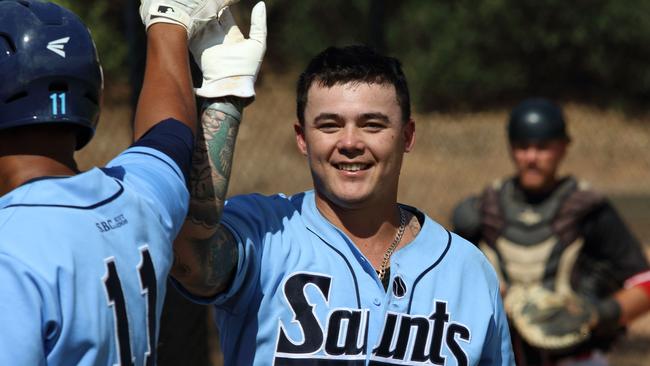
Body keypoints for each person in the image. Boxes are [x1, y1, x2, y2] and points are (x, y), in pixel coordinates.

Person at [169, 4, 515, 364]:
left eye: (372, 124)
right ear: (302, 138)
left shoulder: (467, 271)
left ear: (407, 136)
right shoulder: (265, 232)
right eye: (330, 125)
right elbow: (190, 258)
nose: (350, 142)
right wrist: (226, 101)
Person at [0, 0, 229, 363]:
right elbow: (168, 137)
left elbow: (169, 135)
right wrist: (170, 24)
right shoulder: (134, 199)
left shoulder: (8, 251)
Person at [451, 98, 650, 366]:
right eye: (522, 147)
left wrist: (595, 315)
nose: (531, 157)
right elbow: (449, 283)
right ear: (511, 148)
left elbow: (644, 283)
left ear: (563, 148)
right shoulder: (484, 210)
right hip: (500, 356)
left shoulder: (588, 209)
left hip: (575, 359)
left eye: (542, 148)